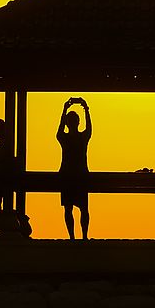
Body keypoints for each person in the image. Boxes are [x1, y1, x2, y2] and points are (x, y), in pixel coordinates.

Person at [57, 97, 91, 240]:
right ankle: (83, 237)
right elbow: (89, 127)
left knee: (69, 208)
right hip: (80, 175)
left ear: (67, 123)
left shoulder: (64, 138)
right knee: (83, 208)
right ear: (78, 122)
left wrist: (65, 109)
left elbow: (59, 129)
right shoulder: (83, 137)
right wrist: (86, 108)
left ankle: (72, 237)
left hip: (67, 175)